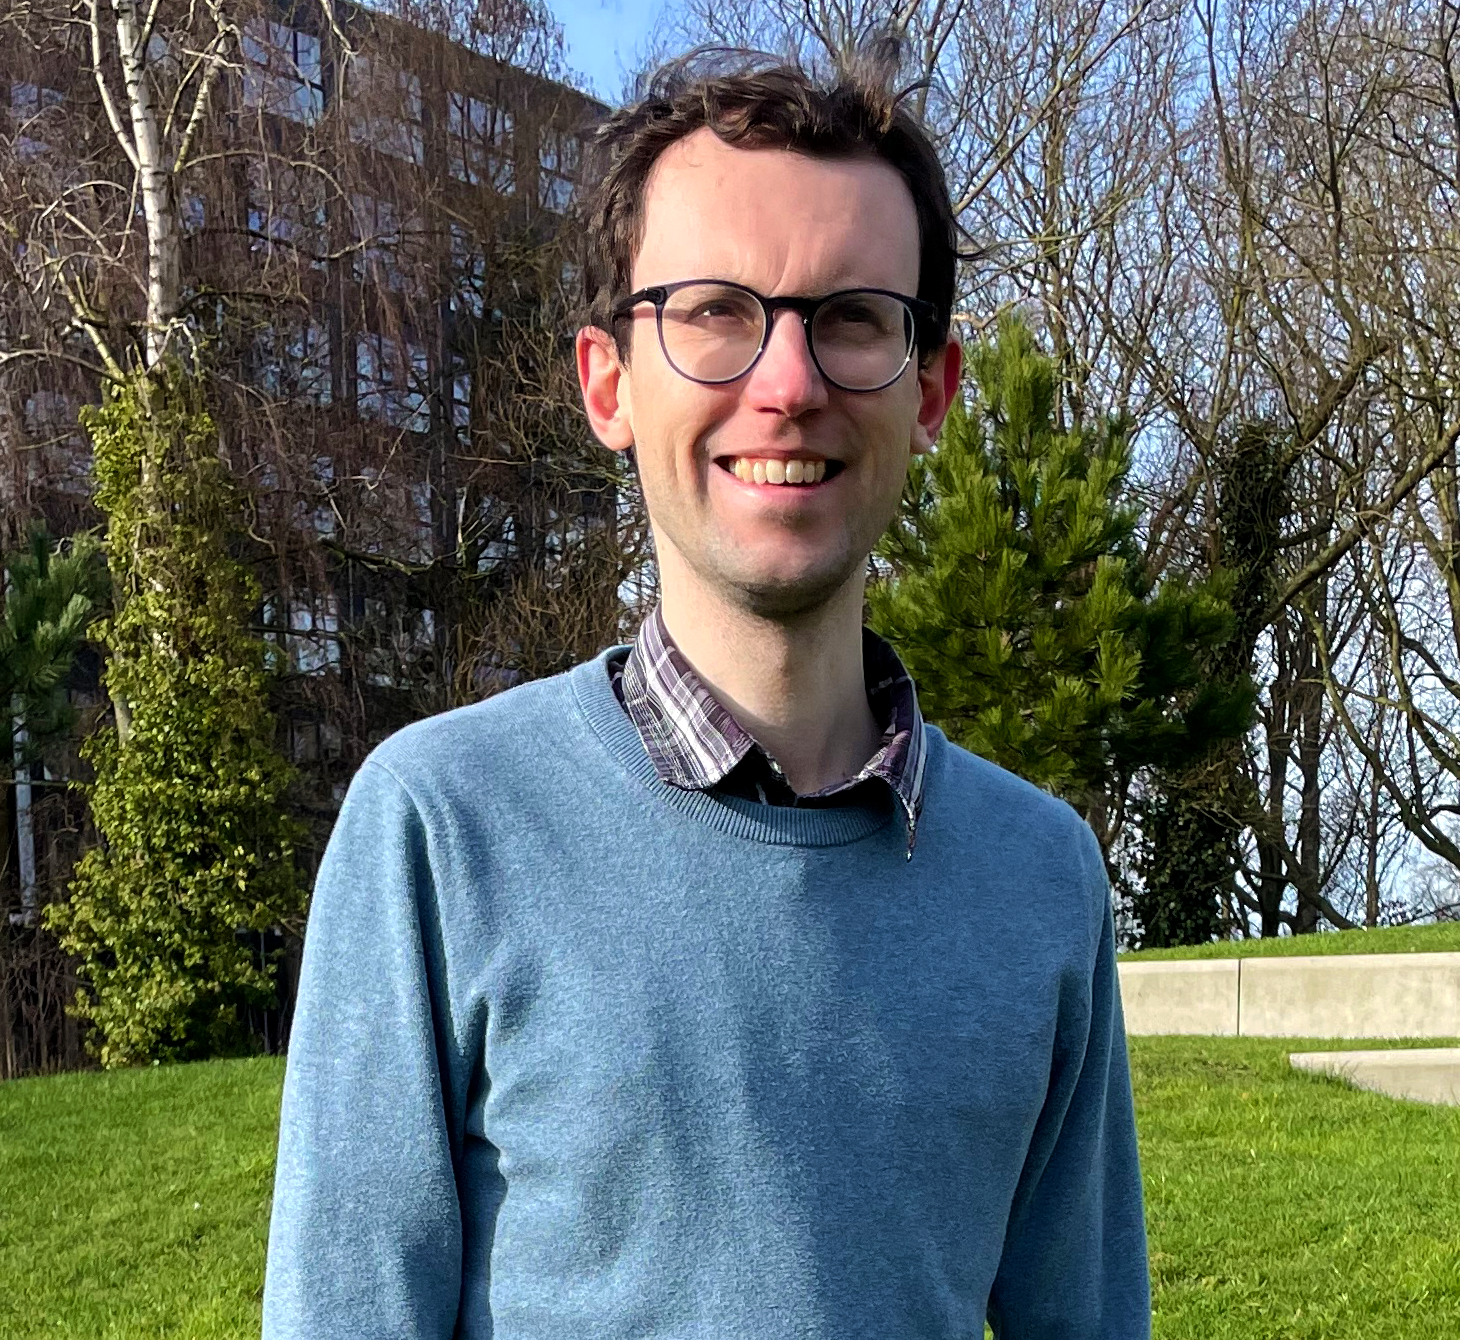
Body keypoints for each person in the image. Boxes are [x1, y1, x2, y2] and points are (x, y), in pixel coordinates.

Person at [263, 41, 1151, 1340]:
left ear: (936, 390)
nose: (786, 386)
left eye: (852, 318)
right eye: (716, 312)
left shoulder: (1041, 879)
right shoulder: (440, 833)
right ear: (609, 382)